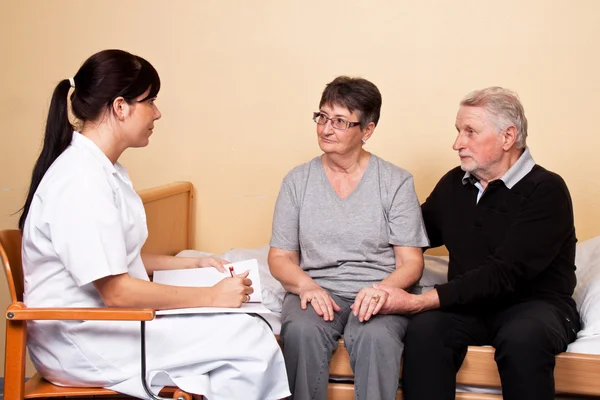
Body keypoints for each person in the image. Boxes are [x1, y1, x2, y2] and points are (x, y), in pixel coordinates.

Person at [19, 49, 290, 400]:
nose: (157, 112)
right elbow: (116, 291)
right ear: (120, 107)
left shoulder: (103, 170)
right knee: (249, 337)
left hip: (103, 324)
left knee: (246, 329)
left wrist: (195, 263)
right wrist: (210, 296)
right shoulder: (81, 182)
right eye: (150, 101)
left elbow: (119, 258)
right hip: (83, 339)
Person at [374, 87, 580, 400]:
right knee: (425, 331)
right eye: (458, 131)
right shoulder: (454, 184)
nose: (457, 143)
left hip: (535, 305)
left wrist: (420, 301)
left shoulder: (546, 190)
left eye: (470, 132)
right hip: (468, 307)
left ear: (508, 137)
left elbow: (504, 272)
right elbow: (409, 235)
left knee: (522, 340)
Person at [268, 76, 429, 400]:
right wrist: (307, 287)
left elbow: (411, 262)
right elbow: (280, 257)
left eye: (340, 121)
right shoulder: (297, 181)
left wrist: (382, 291)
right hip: (316, 290)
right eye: (323, 117)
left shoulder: (395, 182)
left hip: (377, 290)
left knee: (376, 338)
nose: (326, 129)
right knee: (301, 331)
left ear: (366, 131)